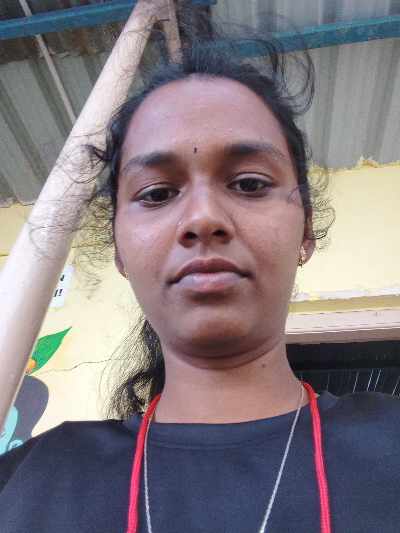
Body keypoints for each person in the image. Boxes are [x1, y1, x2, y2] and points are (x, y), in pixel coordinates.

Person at [1, 16, 399, 533]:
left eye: (250, 184)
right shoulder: (27, 484)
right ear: (120, 251)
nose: (203, 218)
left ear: (305, 231)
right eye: (157, 193)